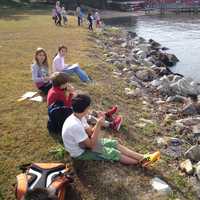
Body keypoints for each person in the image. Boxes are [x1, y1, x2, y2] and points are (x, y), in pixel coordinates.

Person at [62, 94, 160, 166]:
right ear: (85, 108)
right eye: (89, 107)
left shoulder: (79, 116)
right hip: (80, 152)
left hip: (84, 144)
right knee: (113, 153)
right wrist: (99, 124)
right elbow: (91, 145)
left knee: (114, 143)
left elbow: (91, 133)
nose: (89, 109)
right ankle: (142, 162)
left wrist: (97, 123)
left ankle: (142, 157)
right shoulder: (75, 126)